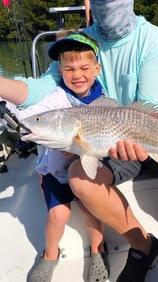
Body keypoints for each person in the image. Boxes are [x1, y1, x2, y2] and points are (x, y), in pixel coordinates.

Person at [0, 0, 158, 282]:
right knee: (79, 178)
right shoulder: (81, 44)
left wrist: (133, 136)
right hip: (109, 142)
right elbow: (41, 88)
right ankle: (145, 246)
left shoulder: (153, 39)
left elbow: (147, 103)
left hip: (153, 130)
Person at [4, 31, 110, 282]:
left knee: (91, 211)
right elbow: (34, 114)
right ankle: (50, 254)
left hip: (87, 171)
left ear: (97, 68)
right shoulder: (58, 98)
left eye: (84, 67)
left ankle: (98, 249)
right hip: (55, 172)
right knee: (58, 215)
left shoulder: (105, 100)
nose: (77, 75)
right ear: (59, 71)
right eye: (68, 69)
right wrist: (10, 113)